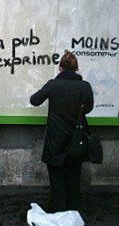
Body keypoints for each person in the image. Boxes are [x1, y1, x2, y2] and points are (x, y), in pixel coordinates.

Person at [30, 50, 94, 212]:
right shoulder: (85, 87)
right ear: (76, 68)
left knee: (57, 182)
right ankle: (72, 214)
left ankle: (59, 214)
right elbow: (89, 108)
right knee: (73, 181)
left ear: (60, 68)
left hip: (55, 142)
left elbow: (34, 100)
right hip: (76, 141)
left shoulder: (53, 85)